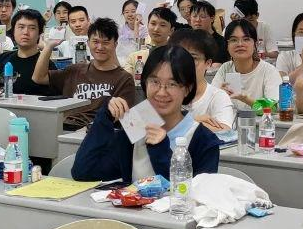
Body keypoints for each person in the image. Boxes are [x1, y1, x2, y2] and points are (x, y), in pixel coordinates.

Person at [71, 46, 222, 183]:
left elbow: (199, 197)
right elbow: (84, 172)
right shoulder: (136, 123)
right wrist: (105, 118)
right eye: (154, 82)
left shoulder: (204, 140)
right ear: (145, 83)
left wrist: (161, 150)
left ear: (187, 89)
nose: (161, 92)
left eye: (172, 84)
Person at [33, 18, 138, 130]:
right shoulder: (75, 70)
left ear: (115, 45)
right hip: (64, 127)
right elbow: (38, 78)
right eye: (95, 42)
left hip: (96, 131)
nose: (100, 47)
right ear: (88, 43)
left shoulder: (124, 78)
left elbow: (121, 117)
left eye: (106, 42)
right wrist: (49, 46)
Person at [168, 29, 233, 130]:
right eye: (180, 56)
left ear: (208, 63)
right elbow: (140, 127)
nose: (185, 63)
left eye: (193, 58)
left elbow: (225, 130)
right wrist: (195, 121)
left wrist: (172, 125)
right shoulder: (161, 92)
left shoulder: (218, 96)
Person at [211, 20, 282, 111]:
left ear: (255, 44)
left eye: (246, 39)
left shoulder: (268, 71)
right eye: (234, 40)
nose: (240, 44)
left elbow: (273, 107)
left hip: (261, 120)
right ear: (227, 46)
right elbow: (210, 102)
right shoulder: (225, 68)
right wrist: (219, 95)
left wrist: (246, 99)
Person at [0, 9, 57, 96]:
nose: (25, 32)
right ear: (13, 31)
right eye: (21, 27)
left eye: (32, 28)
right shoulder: (2, 59)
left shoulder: (46, 65)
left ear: (39, 33)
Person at [122, 7, 176, 73]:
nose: (156, 29)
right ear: (147, 25)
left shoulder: (176, 56)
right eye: (153, 24)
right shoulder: (134, 57)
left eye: (162, 25)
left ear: (171, 30)